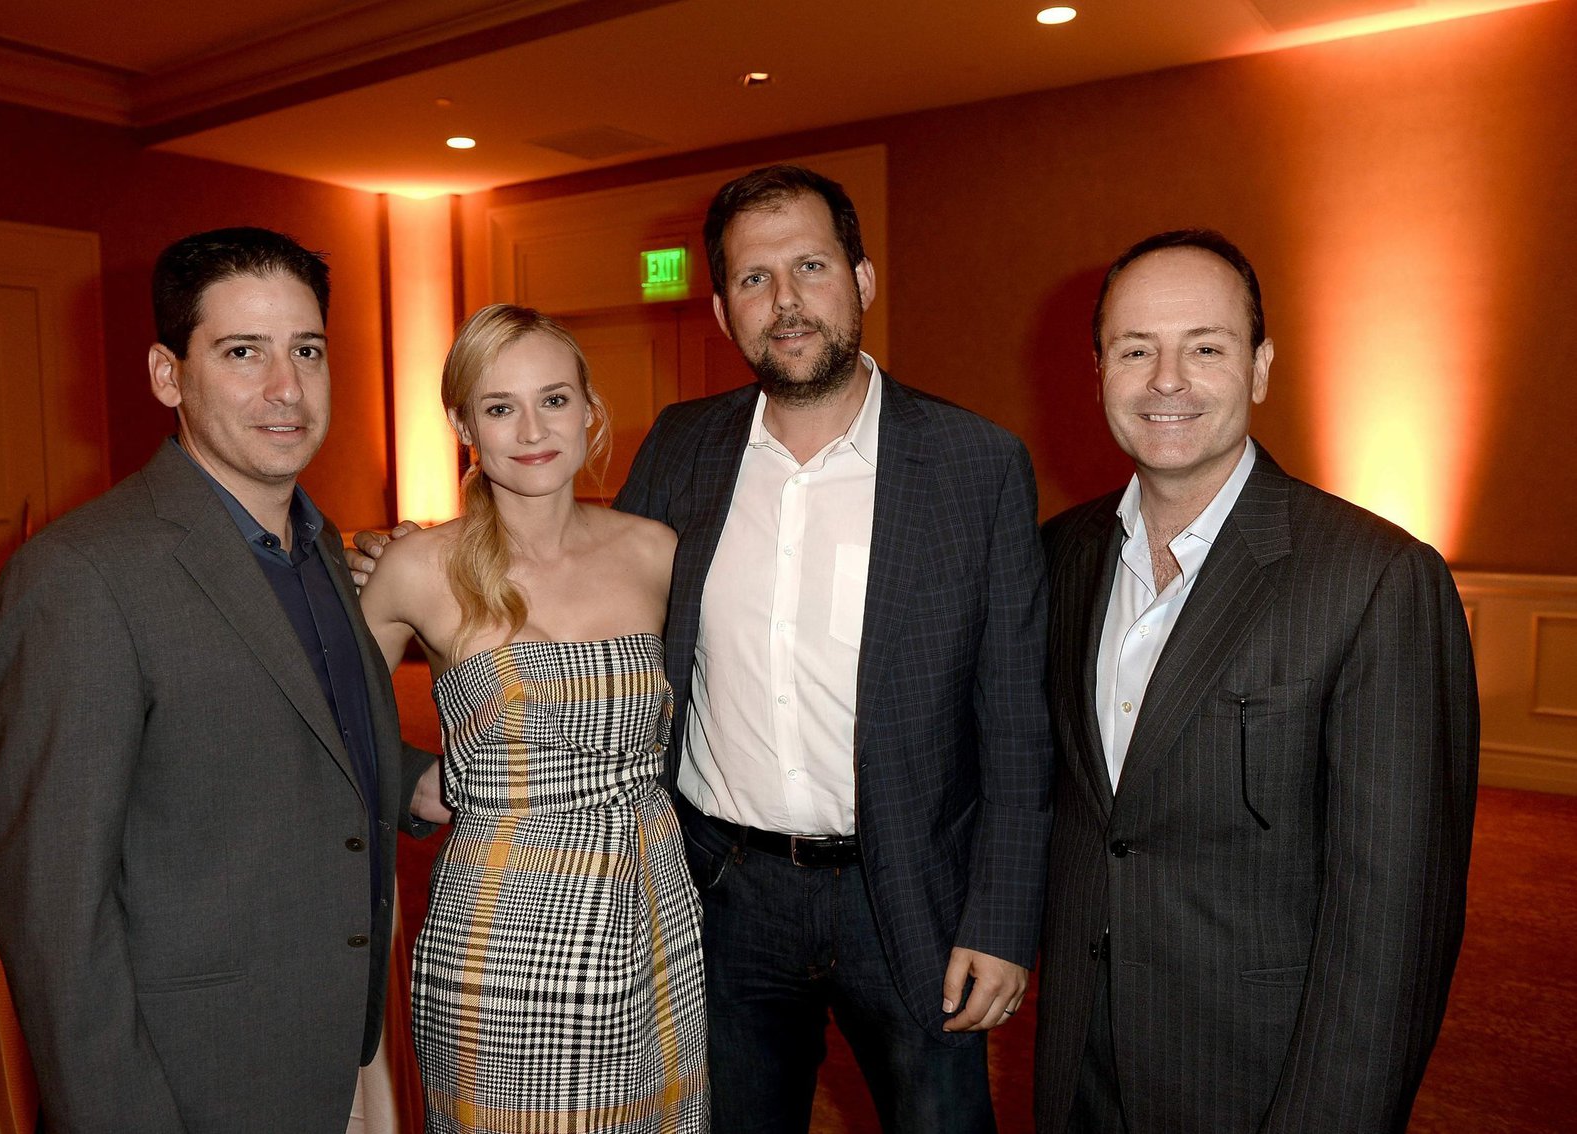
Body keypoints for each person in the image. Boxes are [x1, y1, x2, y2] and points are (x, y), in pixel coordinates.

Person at [353, 165, 1053, 1130]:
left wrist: (1002, 923)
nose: (787, 300)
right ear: (724, 310)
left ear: (861, 278)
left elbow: (1018, 719)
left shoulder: (974, 464)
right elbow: (560, 586)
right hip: (717, 895)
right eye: (755, 279)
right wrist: (413, 560)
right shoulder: (683, 450)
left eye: (810, 265)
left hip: (906, 897)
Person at [0, 227, 444, 1133]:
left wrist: (426, 783)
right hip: (182, 1074)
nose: (287, 388)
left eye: (306, 350)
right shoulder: (79, 577)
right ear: (166, 374)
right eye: (242, 353)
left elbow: (304, 744)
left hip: (311, 1039)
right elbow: (53, 919)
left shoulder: (315, 546)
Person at [1034, 229, 1478, 1133]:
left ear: (1260, 367)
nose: (1167, 379)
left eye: (1205, 347)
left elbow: (1395, 925)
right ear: (1097, 370)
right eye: (1134, 350)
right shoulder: (1058, 557)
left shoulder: (1376, 579)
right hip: (1078, 1057)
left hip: (1257, 1074)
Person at [356, 303, 707, 1133]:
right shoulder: (414, 566)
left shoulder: (658, 551)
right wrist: (415, 784)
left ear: (590, 409)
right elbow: (325, 729)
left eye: (553, 400)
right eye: (499, 406)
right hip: (504, 927)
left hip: (652, 905)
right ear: (461, 422)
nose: (530, 430)